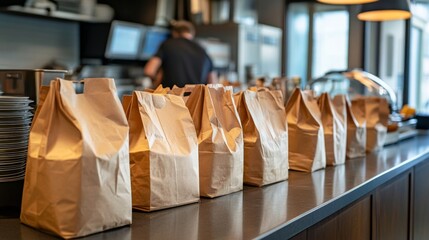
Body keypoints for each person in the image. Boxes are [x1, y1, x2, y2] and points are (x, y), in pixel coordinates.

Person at [143, 20, 216, 88]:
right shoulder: (203, 50)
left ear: (174, 33)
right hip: (195, 100)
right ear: (192, 34)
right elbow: (212, 83)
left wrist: (156, 83)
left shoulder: (167, 44)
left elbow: (149, 70)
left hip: (170, 98)